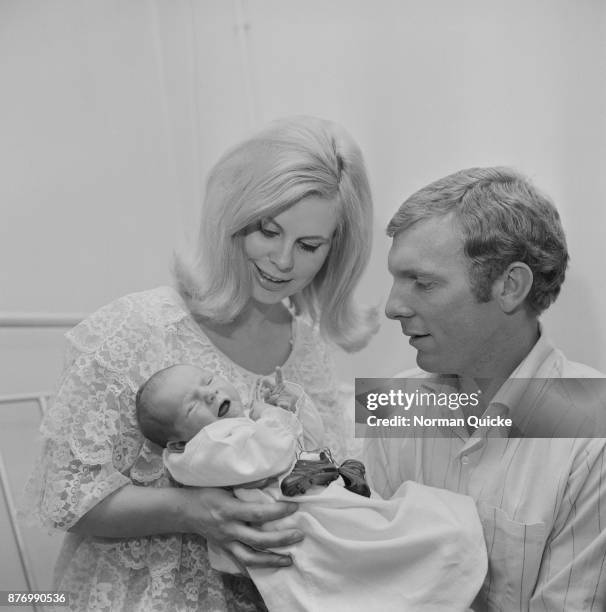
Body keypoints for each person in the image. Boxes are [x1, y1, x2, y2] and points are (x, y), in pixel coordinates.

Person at [22, 116, 379, 612]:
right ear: (231, 216)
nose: (281, 260)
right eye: (267, 231)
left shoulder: (307, 347)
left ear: (335, 252)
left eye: (309, 246)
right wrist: (192, 510)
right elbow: (67, 497)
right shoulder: (137, 328)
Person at [364, 167, 606, 611]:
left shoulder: (594, 435)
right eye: (396, 280)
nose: (393, 307)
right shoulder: (391, 403)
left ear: (510, 286)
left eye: (423, 282)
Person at [136, 363, 488, 612]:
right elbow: (271, 454)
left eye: (208, 379)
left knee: (380, 541)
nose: (210, 392)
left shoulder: (234, 429)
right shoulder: (204, 448)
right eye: (193, 403)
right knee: (373, 551)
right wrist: (272, 417)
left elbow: (309, 443)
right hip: (301, 521)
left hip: (314, 503)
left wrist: (289, 408)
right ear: (176, 442)